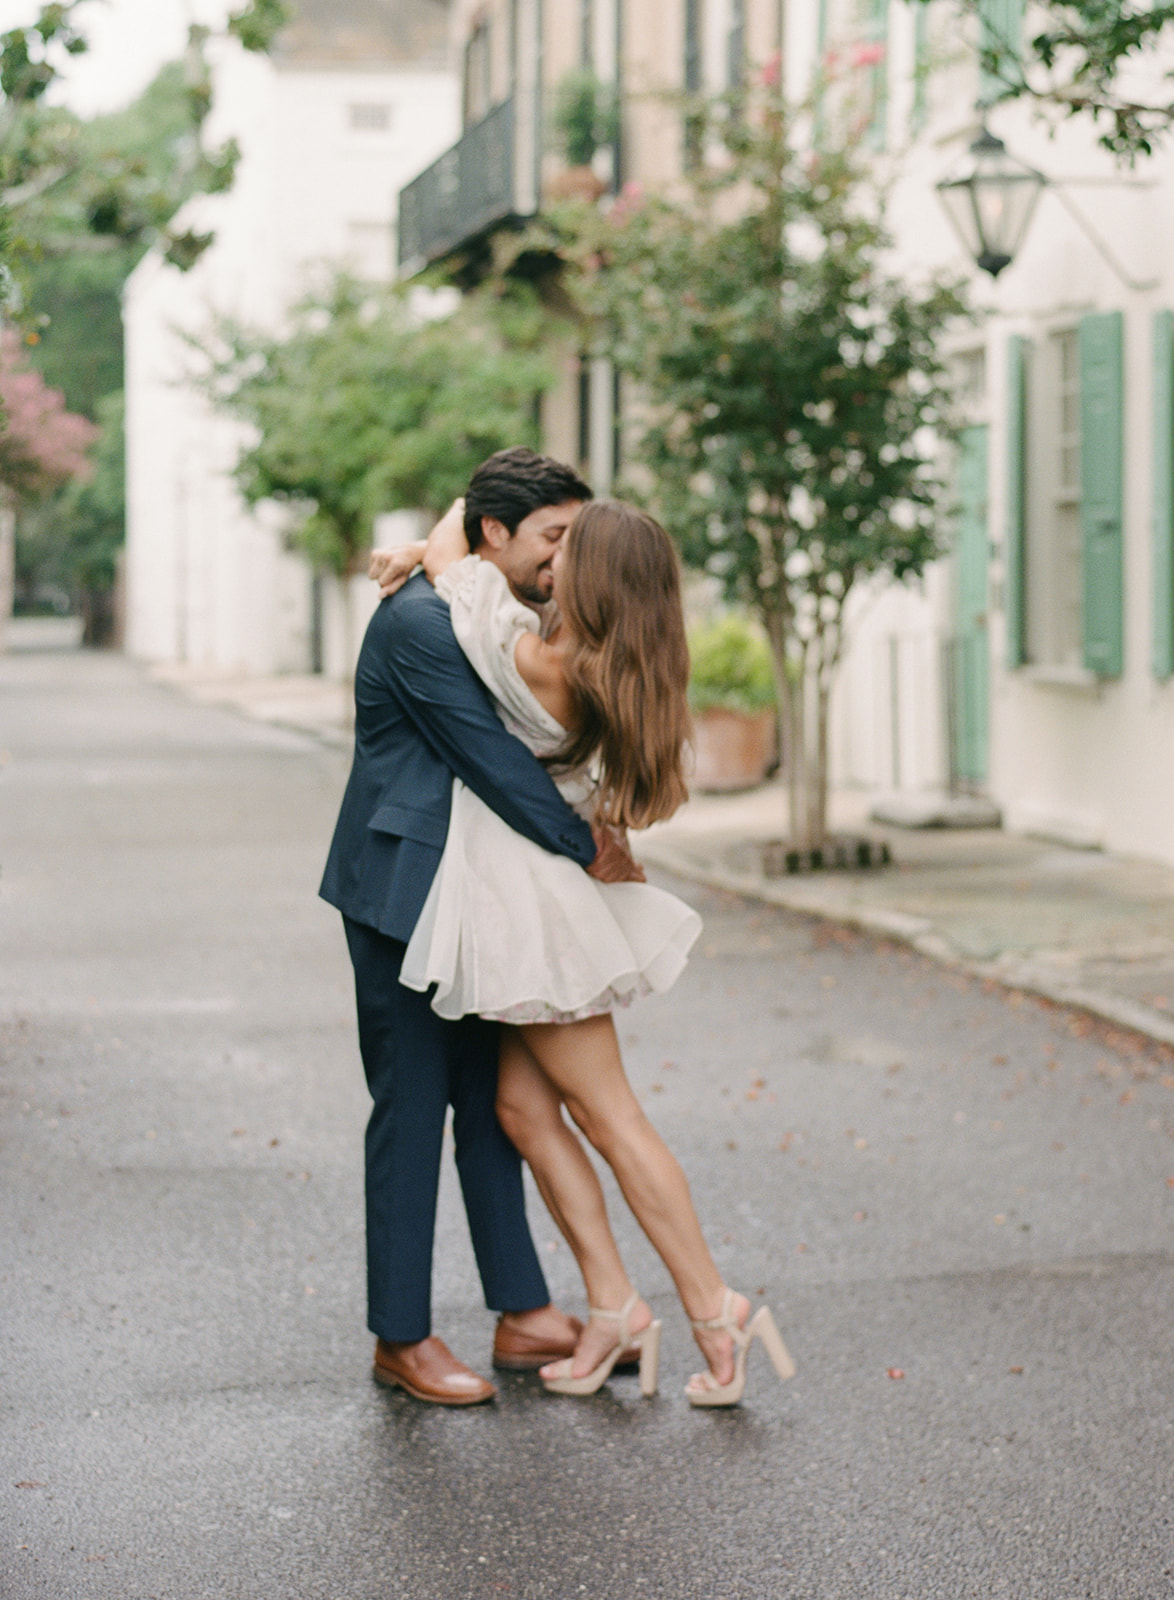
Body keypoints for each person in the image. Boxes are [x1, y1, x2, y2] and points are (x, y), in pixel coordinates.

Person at [373, 494, 796, 1406]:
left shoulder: (534, 656)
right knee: (523, 1110)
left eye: (569, 546)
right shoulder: (614, 662)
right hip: (535, 901)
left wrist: (441, 530)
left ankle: (715, 1310)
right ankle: (614, 1308)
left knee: (611, 1118)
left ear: (593, 576)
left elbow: (455, 557)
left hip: (535, 911)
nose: (552, 557)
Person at [320, 448, 642, 1407]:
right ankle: (401, 1337)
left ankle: (524, 1311)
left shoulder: (487, 604)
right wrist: (586, 847)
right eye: (554, 537)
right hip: (402, 893)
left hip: (476, 898)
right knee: (412, 1110)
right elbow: (492, 759)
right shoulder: (422, 622)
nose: (566, 558)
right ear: (494, 533)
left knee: (494, 1106)